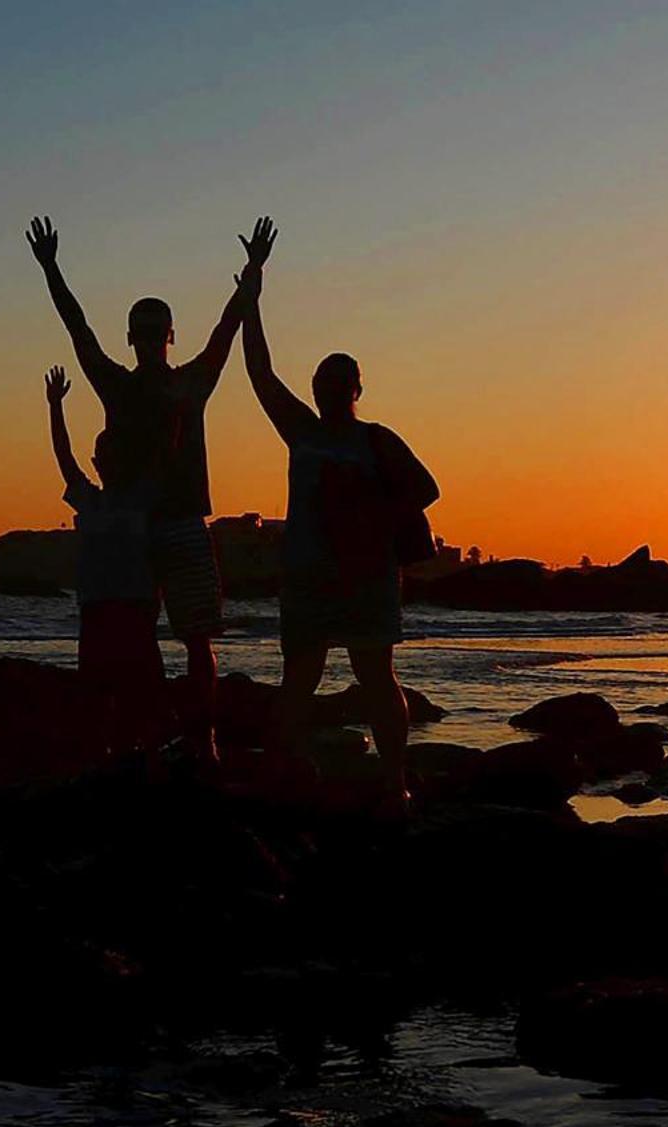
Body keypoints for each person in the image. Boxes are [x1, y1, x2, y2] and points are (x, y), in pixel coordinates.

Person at [24, 215, 276, 767]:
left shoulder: (192, 380)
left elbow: (227, 328)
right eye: (139, 330)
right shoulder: (115, 383)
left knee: (196, 638)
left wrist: (254, 269)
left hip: (183, 522)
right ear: (132, 337)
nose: (147, 338)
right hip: (131, 534)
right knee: (129, 642)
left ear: (168, 335)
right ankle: (129, 738)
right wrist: (51, 269)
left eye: (155, 329)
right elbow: (78, 329)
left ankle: (201, 739)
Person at [233, 223, 439, 810]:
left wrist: (372, 520)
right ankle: (285, 771)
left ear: (356, 388)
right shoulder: (301, 431)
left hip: (366, 574)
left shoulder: (376, 439)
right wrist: (253, 288)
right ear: (318, 388)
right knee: (300, 676)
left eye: (339, 382)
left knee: (375, 676)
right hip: (308, 577)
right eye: (324, 381)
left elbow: (427, 488)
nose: (330, 388)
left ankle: (394, 778)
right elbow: (259, 372)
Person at [45, 364, 165, 764]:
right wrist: (55, 408)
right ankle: (101, 758)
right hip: (96, 609)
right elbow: (64, 458)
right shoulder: (90, 499)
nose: (108, 463)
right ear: (97, 462)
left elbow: (163, 448)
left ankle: (140, 757)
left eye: (117, 456)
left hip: (134, 608)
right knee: (97, 692)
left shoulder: (143, 497)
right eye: (104, 457)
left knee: (139, 691)